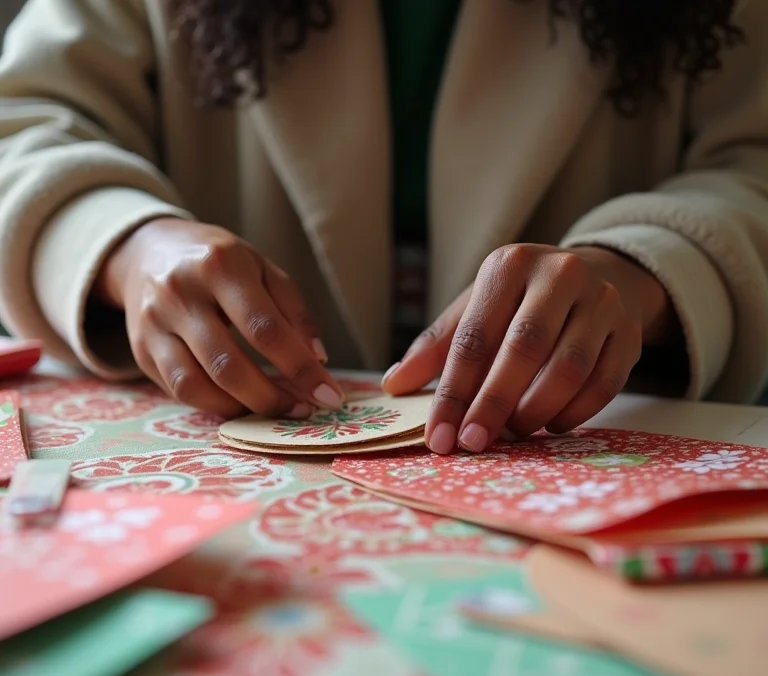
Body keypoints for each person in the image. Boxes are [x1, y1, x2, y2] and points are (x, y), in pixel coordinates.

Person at [0, 0, 766, 456]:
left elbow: (754, 161)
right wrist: (126, 248)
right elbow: (25, 124)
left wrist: (646, 272)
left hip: (574, 459)